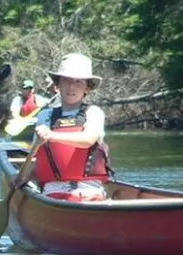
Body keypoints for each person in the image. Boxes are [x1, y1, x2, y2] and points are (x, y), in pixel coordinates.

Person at [15, 53, 112, 202]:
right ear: (58, 85)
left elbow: (88, 139)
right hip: (54, 193)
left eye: (78, 82)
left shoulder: (93, 113)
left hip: (90, 192)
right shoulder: (45, 116)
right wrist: (20, 179)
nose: (72, 87)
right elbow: (37, 159)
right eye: (67, 81)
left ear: (87, 88)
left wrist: (52, 136)